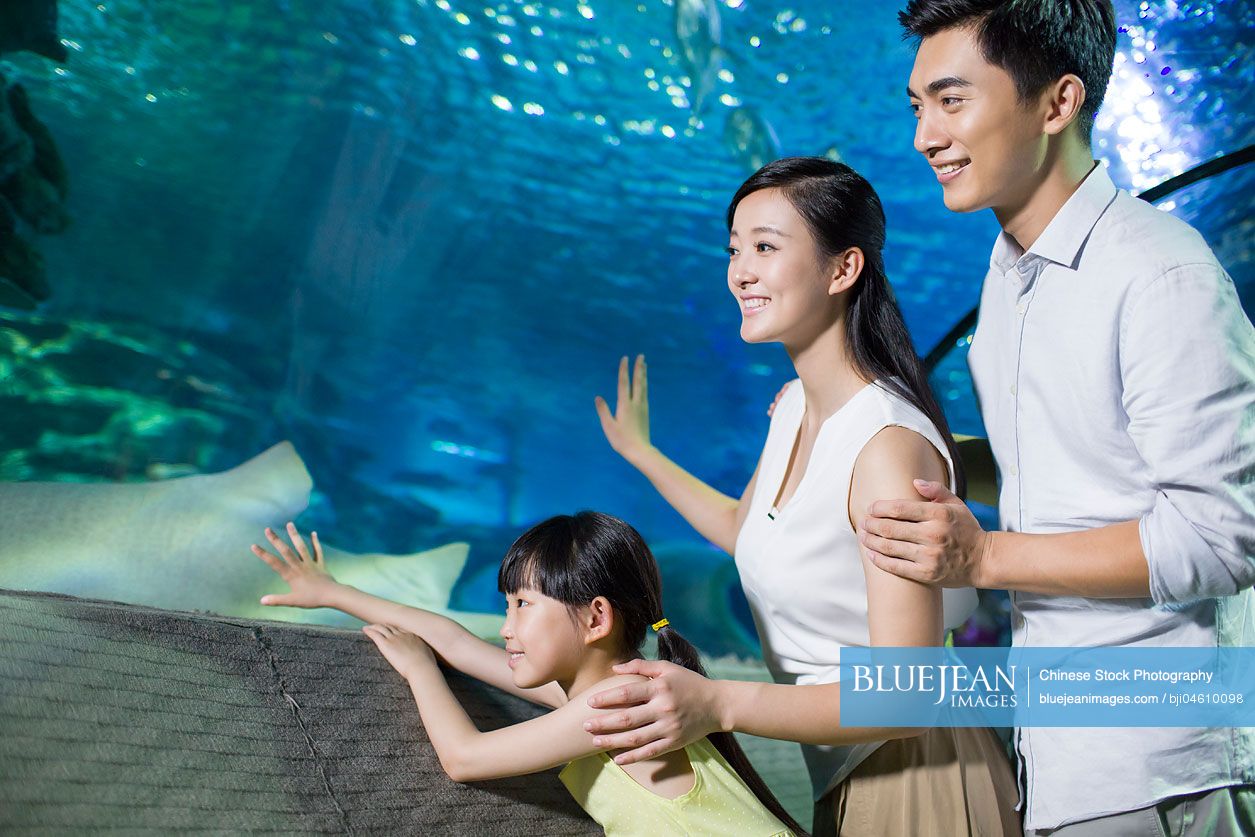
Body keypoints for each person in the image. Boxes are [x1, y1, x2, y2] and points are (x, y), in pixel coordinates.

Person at [854, 1, 1255, 834]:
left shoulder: (1159, 274)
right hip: (1060, 750)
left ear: (1057, 102)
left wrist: (983, 552)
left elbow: (1221, 535)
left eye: (952, 100)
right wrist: (912, 453)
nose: (924, 136)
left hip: (1158, 759)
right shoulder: (1007, 278)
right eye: (916, 105)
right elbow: (1079, 463)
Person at [587, 157, 1019, 836]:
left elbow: (904, 696)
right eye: (733, 248)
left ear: (842, 269)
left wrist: (717, 702)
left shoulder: (885, 447)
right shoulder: (792, 407)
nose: (740, 271)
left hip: (918, 778)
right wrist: (644, 455)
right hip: (847, 774)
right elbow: (747, 531)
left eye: (765, 246)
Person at [251, 514, 805, 836]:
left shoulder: (615, 702)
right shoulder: (603, 689)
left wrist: (420, 671)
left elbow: (465, 759)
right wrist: (333, 593)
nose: (507, 626)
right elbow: (456, 641)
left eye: (522, 604)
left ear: (594, 618)